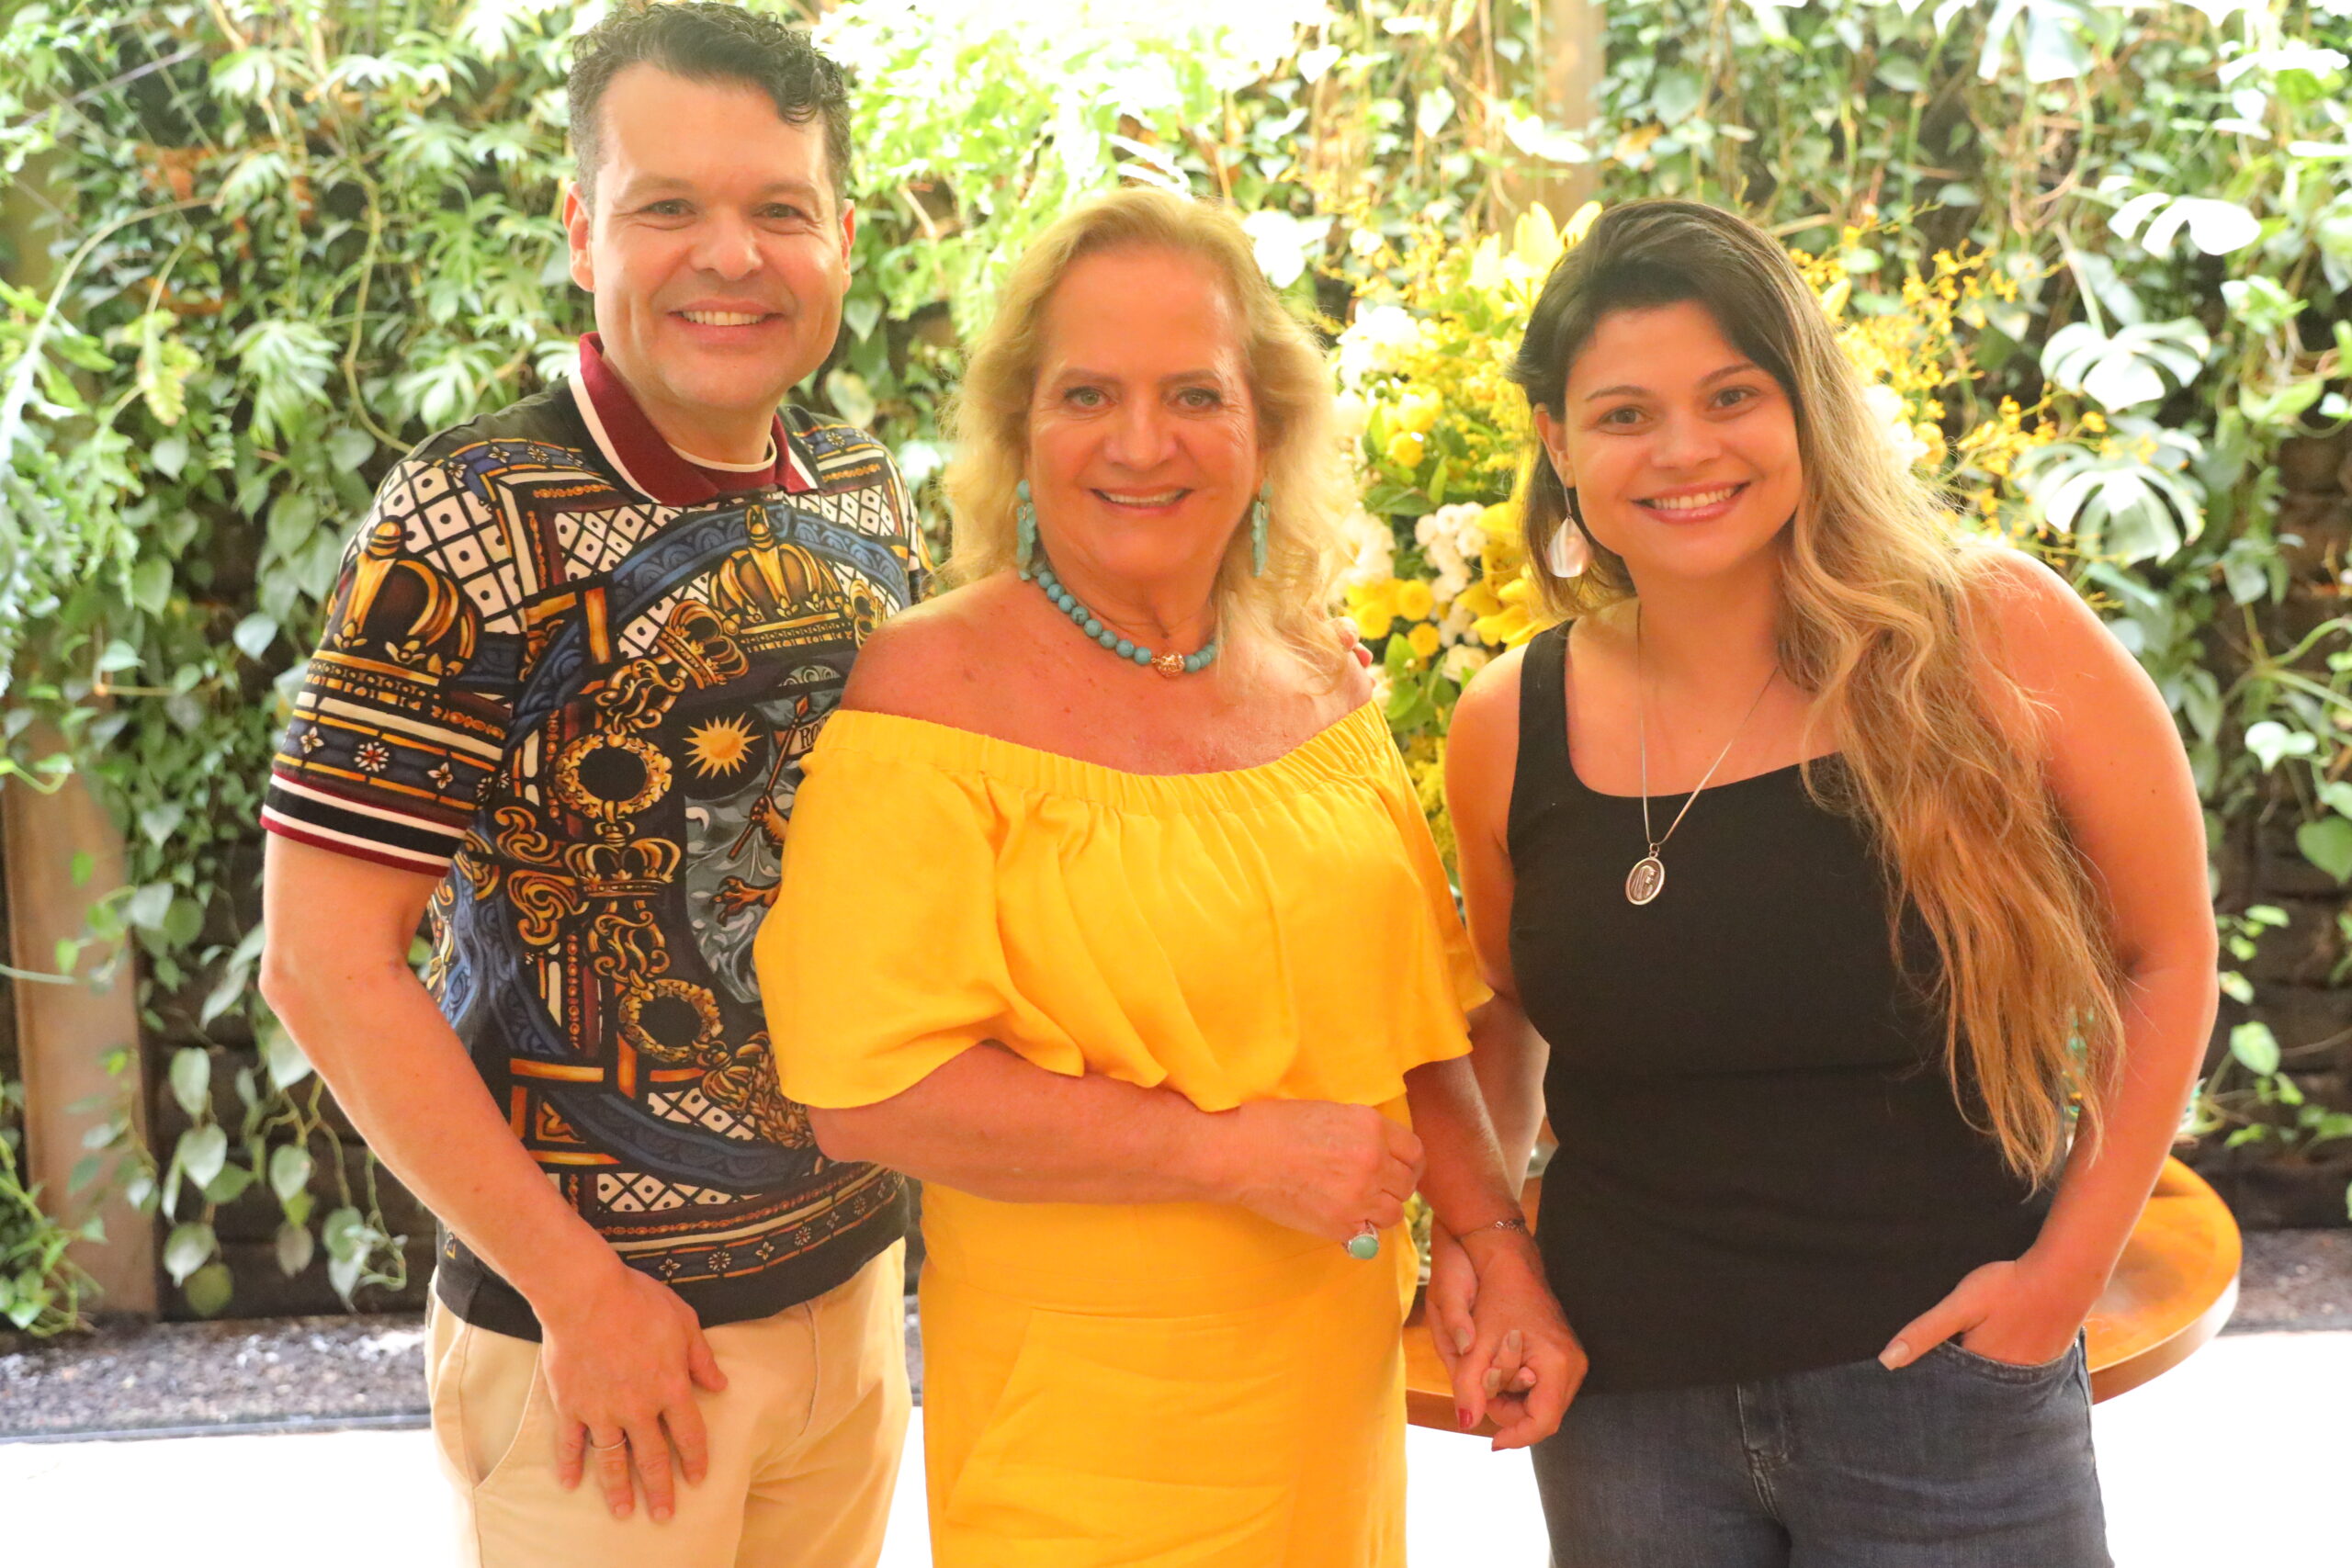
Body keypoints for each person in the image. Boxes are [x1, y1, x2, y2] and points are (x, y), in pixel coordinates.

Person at [753, 186, 1580, 1568]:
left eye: (1195, 393)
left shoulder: (1319, 679)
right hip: (1077, 1432)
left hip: (1327, 1394)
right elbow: (865, 1092)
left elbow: (1416, 1025)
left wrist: (1496, 1247)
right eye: (1089, 393)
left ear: (1267, 427)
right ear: (1021, 430)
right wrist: (1234, 1153)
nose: (1142, 442)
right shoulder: (930, 691)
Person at [1435, 197, 2216, 1566]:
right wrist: (1493, 1248)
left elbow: (2167, 952)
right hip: (1625, 1409)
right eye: (1624, 415)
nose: (1685, 449)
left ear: (1806, 403)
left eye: (1731, 395)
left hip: (1945, 1386)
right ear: (1558, 445)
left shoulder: (1991, 633)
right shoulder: (1509, 718)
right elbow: (1504, 1006)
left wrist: (2060, 1279)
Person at [257, 8, 925, 1564]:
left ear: (843, 238)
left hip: (850, 1290)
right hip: (606, 1352)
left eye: (779, 208)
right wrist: (579, 1292)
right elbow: (324, 963)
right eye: (667, 204)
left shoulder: (865, 489)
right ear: (581, 229)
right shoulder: (470, 514)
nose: (730, 256)